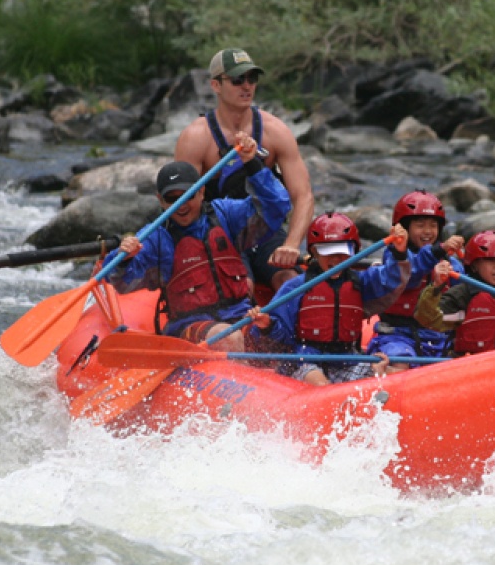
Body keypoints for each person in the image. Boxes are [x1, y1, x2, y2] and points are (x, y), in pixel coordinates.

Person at [105, 133, 290, 351]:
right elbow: (121, 282)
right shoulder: (155, 237)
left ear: (201, 191)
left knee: (280, 334)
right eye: (172, 199)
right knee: (228, 338)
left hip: (240, 315)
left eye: (187, 195)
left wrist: (252, 164)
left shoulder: (225, 215)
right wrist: (123, 259)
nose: (181, 205)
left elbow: (277, 206)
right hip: (189, 327)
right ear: (160, 200)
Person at [173, 48, 314, 296]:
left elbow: (303, 196)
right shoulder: (196, 137)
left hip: (266, 232)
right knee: (241, 287)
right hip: (219, 233)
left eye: (252, 79)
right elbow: (181, 205)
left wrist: (291, 245)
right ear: (216, 85)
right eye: (238, 80)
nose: (246, 86)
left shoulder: (275, 131)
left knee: (290, 282)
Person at [247, 212, 411, 385]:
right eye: (328, 253)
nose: (336, 259)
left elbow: (392, 279)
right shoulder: (296, 288)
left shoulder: (360, 282)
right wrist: (267, 325)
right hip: (304, 360)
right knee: (320, 384)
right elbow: (279, 337)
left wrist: (399, 253)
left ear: (352, 252)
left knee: (393, 375)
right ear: (315, 252)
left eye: (342, 253)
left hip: (346, 361)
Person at [366, 190, 466, 371]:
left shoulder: (450, 263)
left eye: (433, 225)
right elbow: (407, 275)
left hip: (436, 337)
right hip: (396, 335)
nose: (428, 231)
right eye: (420, 225)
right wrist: (438, 251)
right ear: (405, 228)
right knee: (400, 362)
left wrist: (460, 271)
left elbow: (462, 297)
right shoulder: (395, 255)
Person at [415, 230, 495, 355]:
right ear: (474, 265)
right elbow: (427, 319)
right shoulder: (462, 296)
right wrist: (436, 286)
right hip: (468, 369)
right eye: (491, 260)